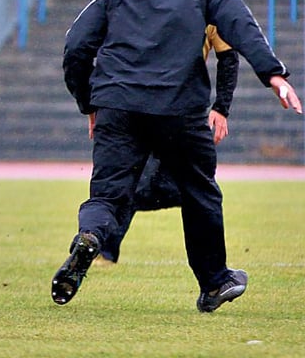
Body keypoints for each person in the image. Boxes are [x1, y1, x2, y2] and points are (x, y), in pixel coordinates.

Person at [54, 0, 301, 312]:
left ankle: (93, 236)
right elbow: (239, 23)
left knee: (108, 194)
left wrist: (89, 103)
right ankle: (215, 282)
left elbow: (76, 44)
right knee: (199, 190)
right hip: (179, 108)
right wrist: (273, 74)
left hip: (118, 103)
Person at [96, 24, 239, 265]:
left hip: (164, 109)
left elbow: (229, 57)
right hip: (162, 109)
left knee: (144, 186)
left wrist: (221, 107)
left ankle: (104, 248)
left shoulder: (209, 7)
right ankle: (105, 250)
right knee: (160, 185)